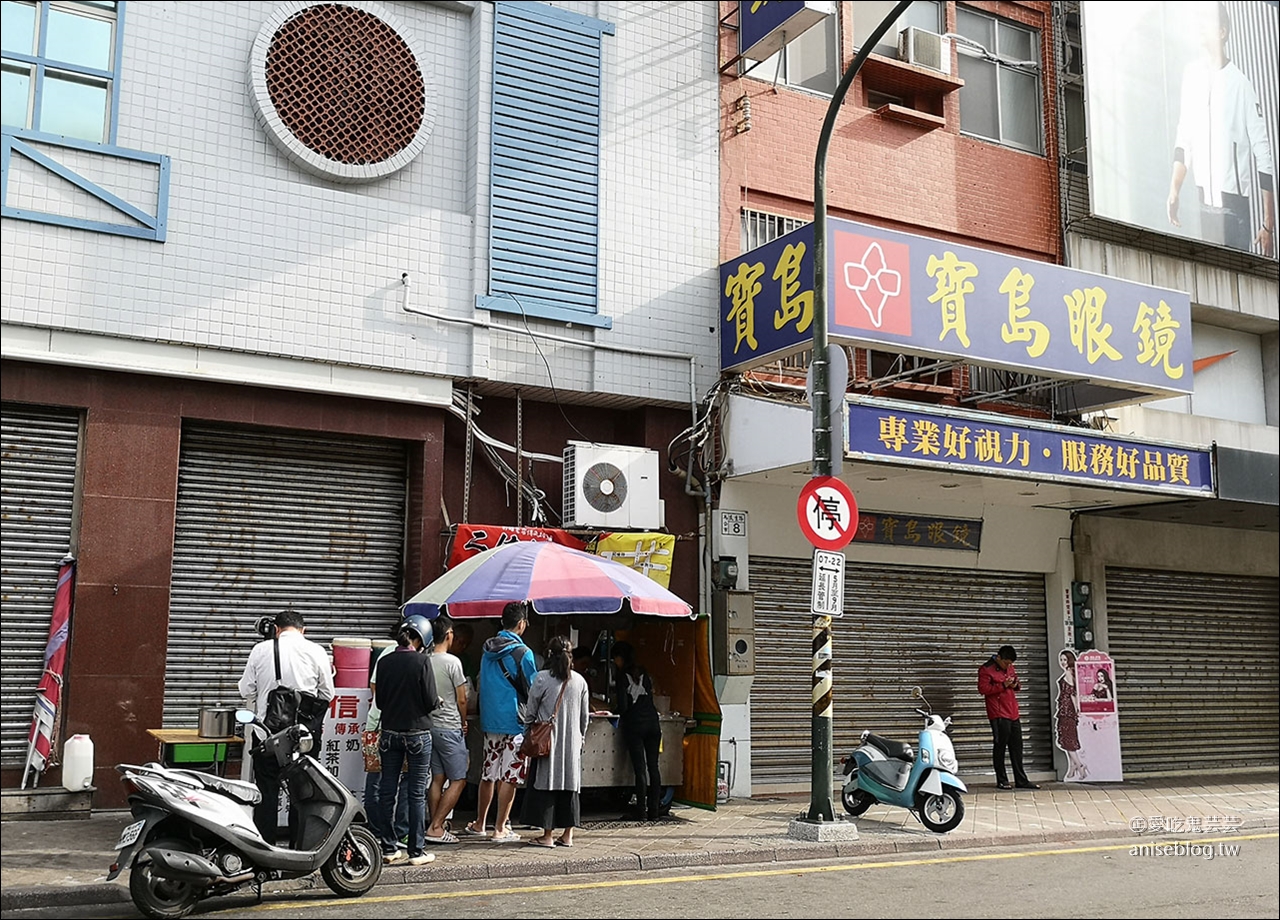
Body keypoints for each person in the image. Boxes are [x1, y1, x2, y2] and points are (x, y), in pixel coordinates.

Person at [1167, 2, 1275, 255]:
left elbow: (1263, 155)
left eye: (1208, 21)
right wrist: (1174, 191)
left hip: (1234, 207)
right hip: (1202, 203)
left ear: (1223, 32)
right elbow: (1184, 139)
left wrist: (1268, 222)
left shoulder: (1241, 85)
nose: (1201, 26)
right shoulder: (1191, 76)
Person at [238, 609, 334, 844]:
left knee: (267, 792)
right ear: (303, 631)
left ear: (277, 629)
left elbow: (245, 690)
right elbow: (327, 693)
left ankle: (265, 847)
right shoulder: (316, 651)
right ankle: (299, 847)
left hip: (267, 735)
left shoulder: (260, 650)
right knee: (302, 793)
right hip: (303, 738)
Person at [461, 602, 537, 842]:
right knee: (510, 775)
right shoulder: (524, 653)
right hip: (514, 721)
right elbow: (533, 688)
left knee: (489, 773)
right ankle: (501, 828)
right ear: (522, 623)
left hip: (490, 721)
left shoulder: (487, 650)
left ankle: (480, 823)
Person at [371, 614, 439, 866]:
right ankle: (416, 851)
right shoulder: (422, 662)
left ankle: (388, 847)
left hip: (390, 733)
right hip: (418, 734)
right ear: (421, 639)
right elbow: (431, 701)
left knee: (387, 790)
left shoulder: (385, 661)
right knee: (416, 793)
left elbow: (379, 702)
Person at [522, 635, 590, 848]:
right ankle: (568, 835)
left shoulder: (541, 678)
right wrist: (580, 739)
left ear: (549, 654)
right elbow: (584, 718)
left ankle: (547, 835)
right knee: (570, 786)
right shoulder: (580, 681)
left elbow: (530, 713)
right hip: (571, 743)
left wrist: (527, 734)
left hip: (547, 743)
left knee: (547, 784)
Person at [363, 626, 409, 847]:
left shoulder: (387, 653)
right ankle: (397, 832)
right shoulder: (413, 656)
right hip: (397, 725)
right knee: (402, 780)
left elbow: (374, 685)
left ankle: (377, 830)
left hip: (376, 722)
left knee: (376, 780)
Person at [426, 616, 468, 845]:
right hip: (450, 727)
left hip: (430, 726)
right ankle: (436, 826)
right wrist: (463, 722)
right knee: (459, 779)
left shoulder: (425, 659)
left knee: (437, 778)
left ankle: (434, 824)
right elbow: (462, 699)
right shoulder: (453, 662)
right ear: (449, 634)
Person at [612, 640, 663, 820]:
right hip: (653, 724)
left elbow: (624, 706)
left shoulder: (621, 676)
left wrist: (613, 710)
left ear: (619, 658)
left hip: (635, 726)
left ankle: (641, 812)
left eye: (614, 659)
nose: (614, 662)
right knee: (654, 767)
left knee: (640, 770)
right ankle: (654, 812)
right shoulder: (644, 673)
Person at [978, 645, 1040, 791]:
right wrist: (1003, 685)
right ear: (998, 658)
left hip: (1013, 712)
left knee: (1017, 747)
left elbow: (1017, 684)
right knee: (1000, 747)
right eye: (1006, 662)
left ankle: (1021, 780)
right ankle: (1002, 780)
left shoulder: (1010, 667)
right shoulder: (986, 669)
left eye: (1011, 663)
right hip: (998, 713)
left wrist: (1015, 684)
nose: (1009, 666)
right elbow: (983, 689)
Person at [1054, 650, 1087, 782]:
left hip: (1067, 710)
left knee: (1067, 738)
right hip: (1066, 709)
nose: (1062, 662)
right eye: (1061, 660)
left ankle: (1080, 766)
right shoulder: (1072, 672)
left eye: (1064, 660)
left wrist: (1077, 709)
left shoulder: (1068, 673)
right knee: (1067, 738)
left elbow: (1073, 693)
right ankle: (1072, 766)